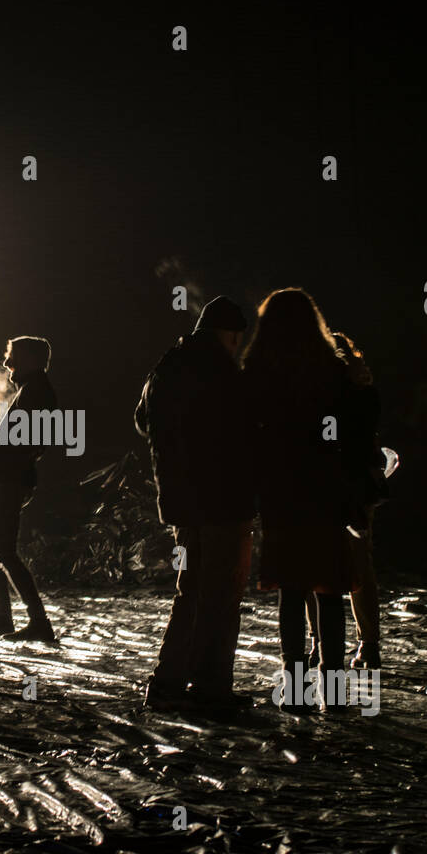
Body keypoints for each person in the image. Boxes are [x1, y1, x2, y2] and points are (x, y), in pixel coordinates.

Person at [135, 297, 254, 710]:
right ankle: (211, 687)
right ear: (231, 334)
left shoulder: (168, 363)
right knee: (221, 594)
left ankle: (167, 683)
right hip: (223, 500)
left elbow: (140, 418)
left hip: (182, 504)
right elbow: (246, 430)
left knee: (190, 590)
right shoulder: (223, 370)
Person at [243, 289, 355, 712]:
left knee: (291, 591)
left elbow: (250, 429)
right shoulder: (331, 369)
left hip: (281, 489)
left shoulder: (258, 369)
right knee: (330, 590)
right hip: (325, 487)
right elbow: (349, 429)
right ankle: (335, 688)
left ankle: (295, 688)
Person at [305, 331, 388, 669]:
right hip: (355, 486)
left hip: (329, 486)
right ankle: (366, 644)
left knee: (319, 566)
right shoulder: (362, 393)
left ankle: (322, 643)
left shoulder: (321, 393)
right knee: (356, 565)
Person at [0, 335, 58, 644]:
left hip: (8, 479)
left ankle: (36, 620)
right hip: (5, 478)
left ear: (31, 360)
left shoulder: (35, 393)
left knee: (1, 550)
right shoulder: (33, 390)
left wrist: (1, 466)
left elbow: (32, 442)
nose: (7, 363)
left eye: (13, 357)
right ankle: (4, 616)